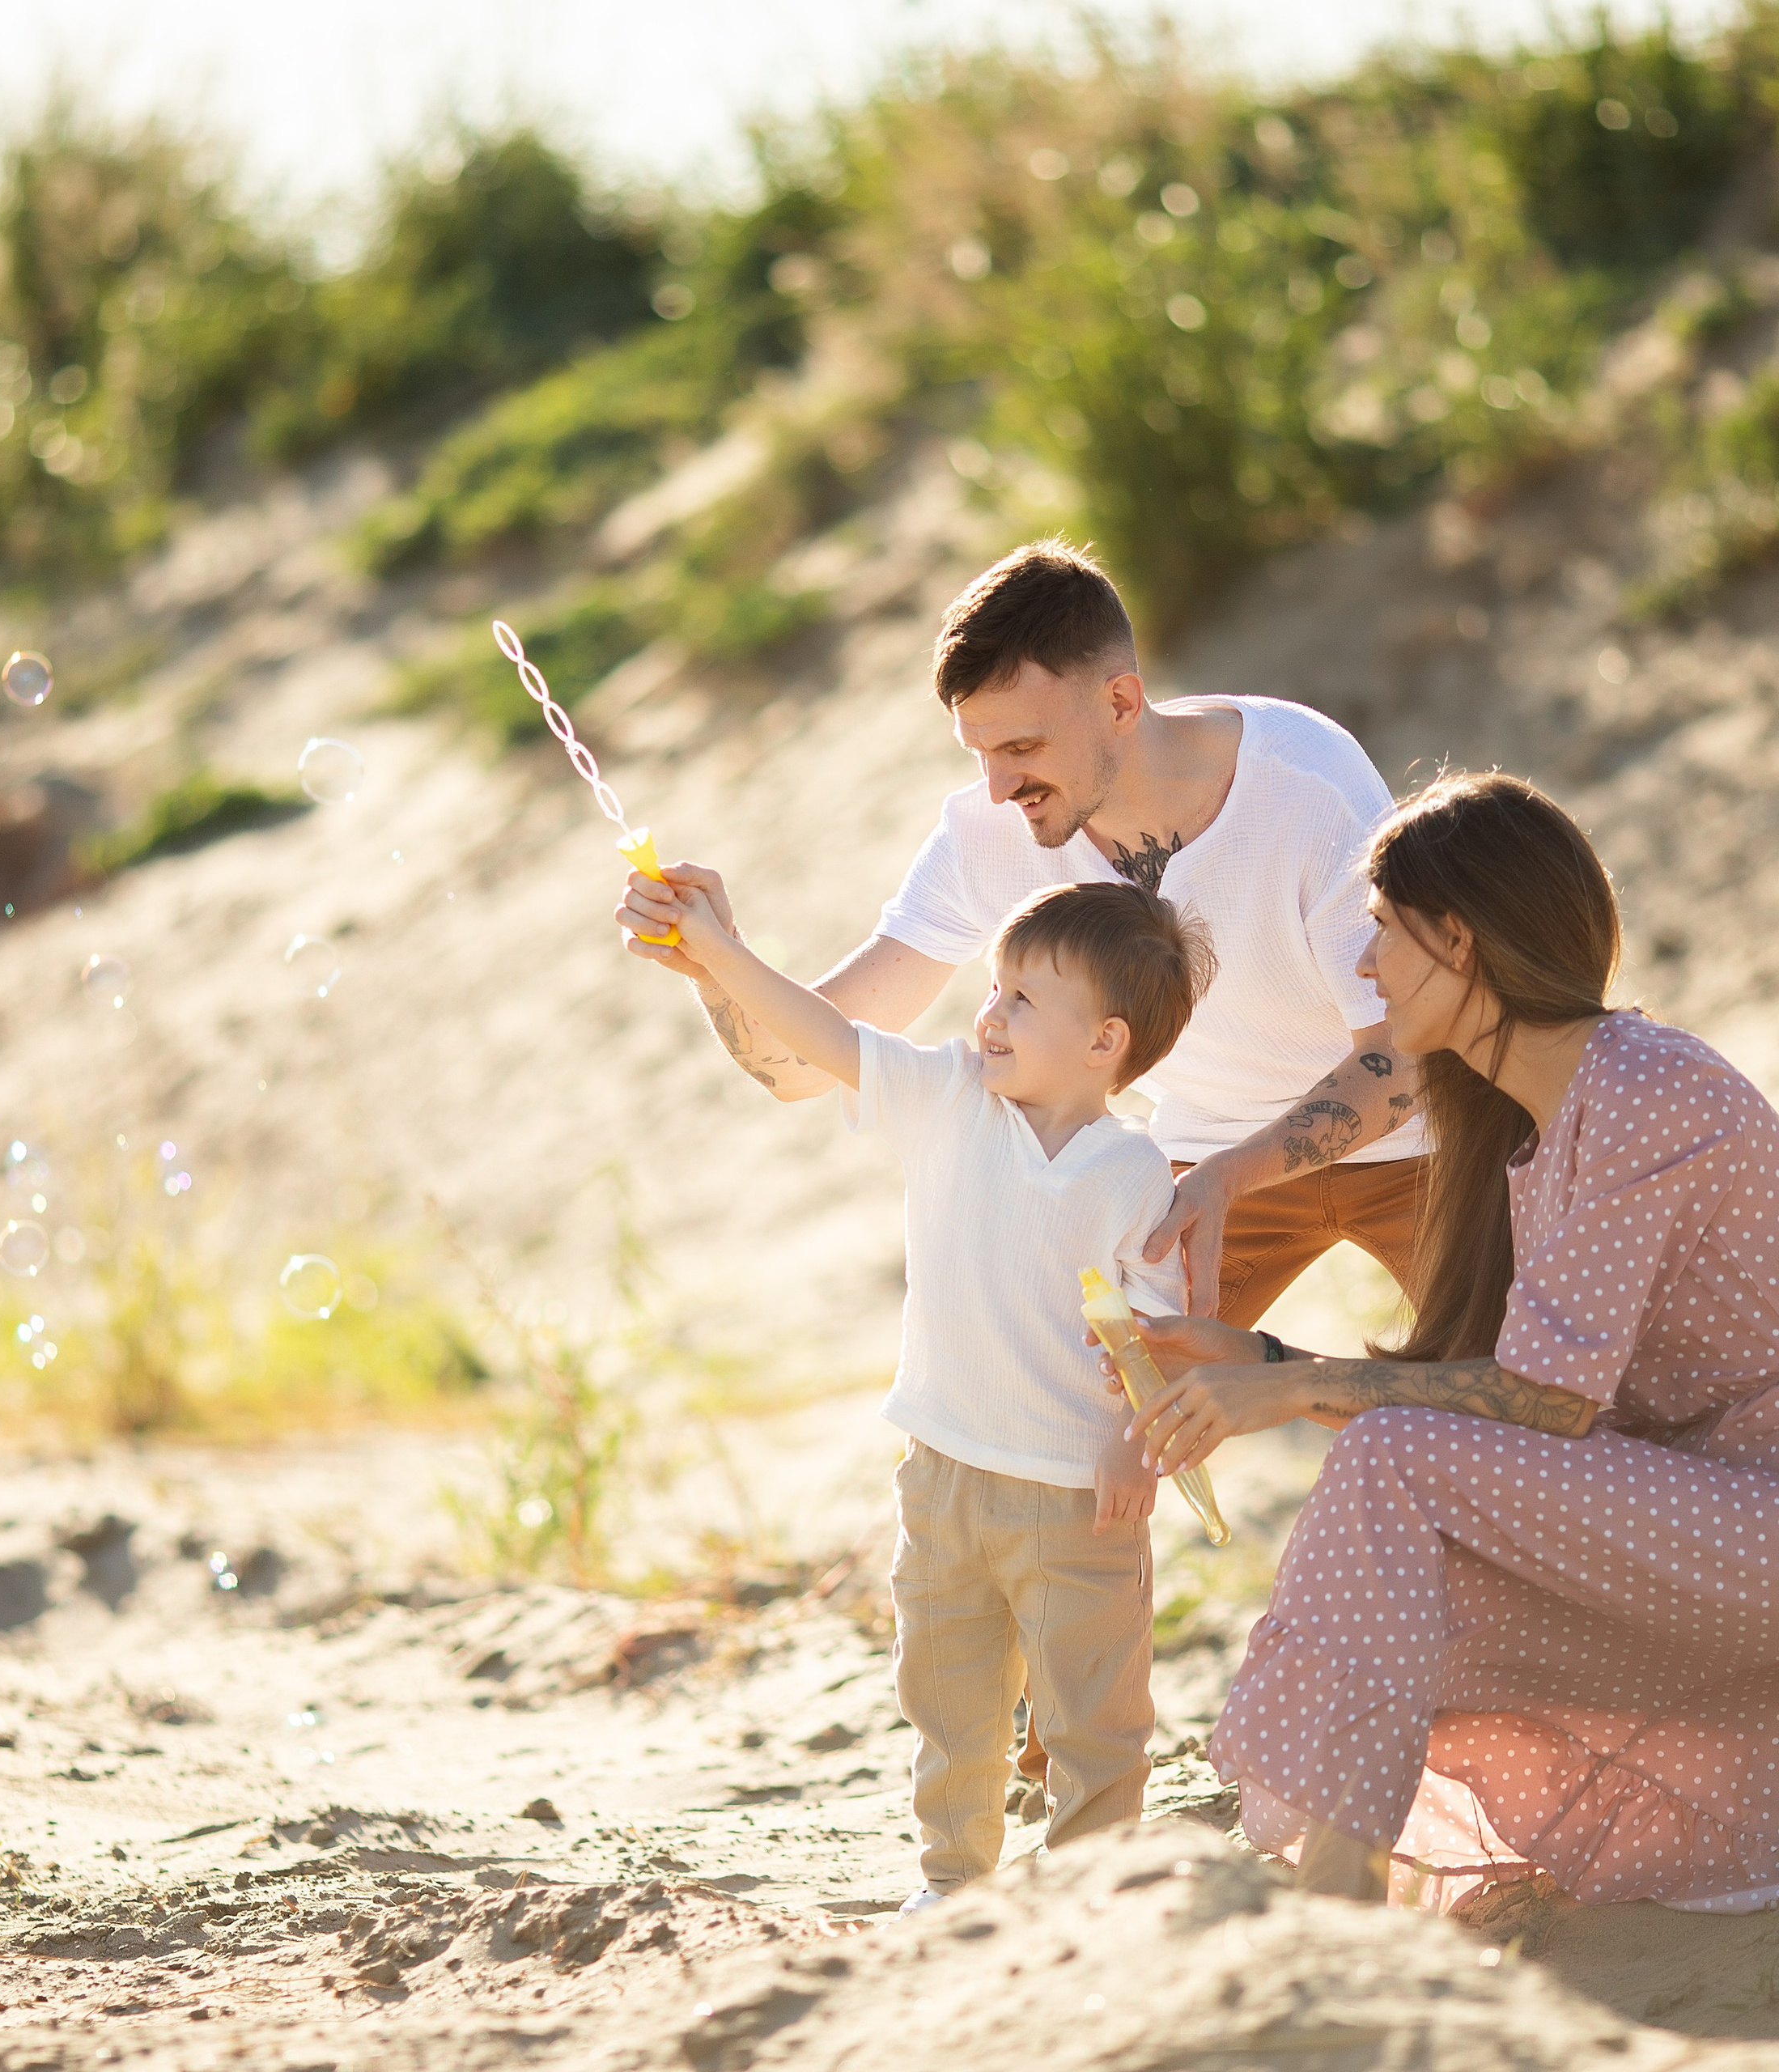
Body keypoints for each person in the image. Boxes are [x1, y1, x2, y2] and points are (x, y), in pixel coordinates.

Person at [1113, 771, 1779, 1909]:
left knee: (1389, 1460)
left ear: (1458, 940)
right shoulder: (1530, 1124)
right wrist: (1264, 1365)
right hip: (1698, 1518)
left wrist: (1298, 1386)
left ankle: (1336, 1898)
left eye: (1379, 933)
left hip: (1751, 1522)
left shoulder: (1647, 1088)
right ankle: (1338, 1879)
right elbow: (1498, 1399)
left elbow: (1547, 1405)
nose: (1363, 971)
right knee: (1397, 1509)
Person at [616, 537, 1426, 1327]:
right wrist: (713, 966)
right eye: (979, 753)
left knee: (1530, 1410)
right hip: (1202, 1163)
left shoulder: (1304, 786)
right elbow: (799, 1069)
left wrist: (1226, 1175)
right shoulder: (990, 833)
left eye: (1021, 747)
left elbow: (1400, 1060)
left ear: (1119, 702)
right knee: (1094, 1422)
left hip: (1416, 1143)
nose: (999, 786)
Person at [645, 868, 1213, 1910]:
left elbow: (1156, 1338)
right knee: (948, 1695)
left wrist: (1141, 1443)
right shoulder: (949, 1096)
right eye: (993, 990)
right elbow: (825, 1036)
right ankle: (953, 1882)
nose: (987, 1015)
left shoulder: (1134, 1174)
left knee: (1093, 1711)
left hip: (1077, 1496)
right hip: (942, 1471)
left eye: (1022, 1001)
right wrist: (717, 953)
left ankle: (1087, 1895)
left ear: (1106, 1044)